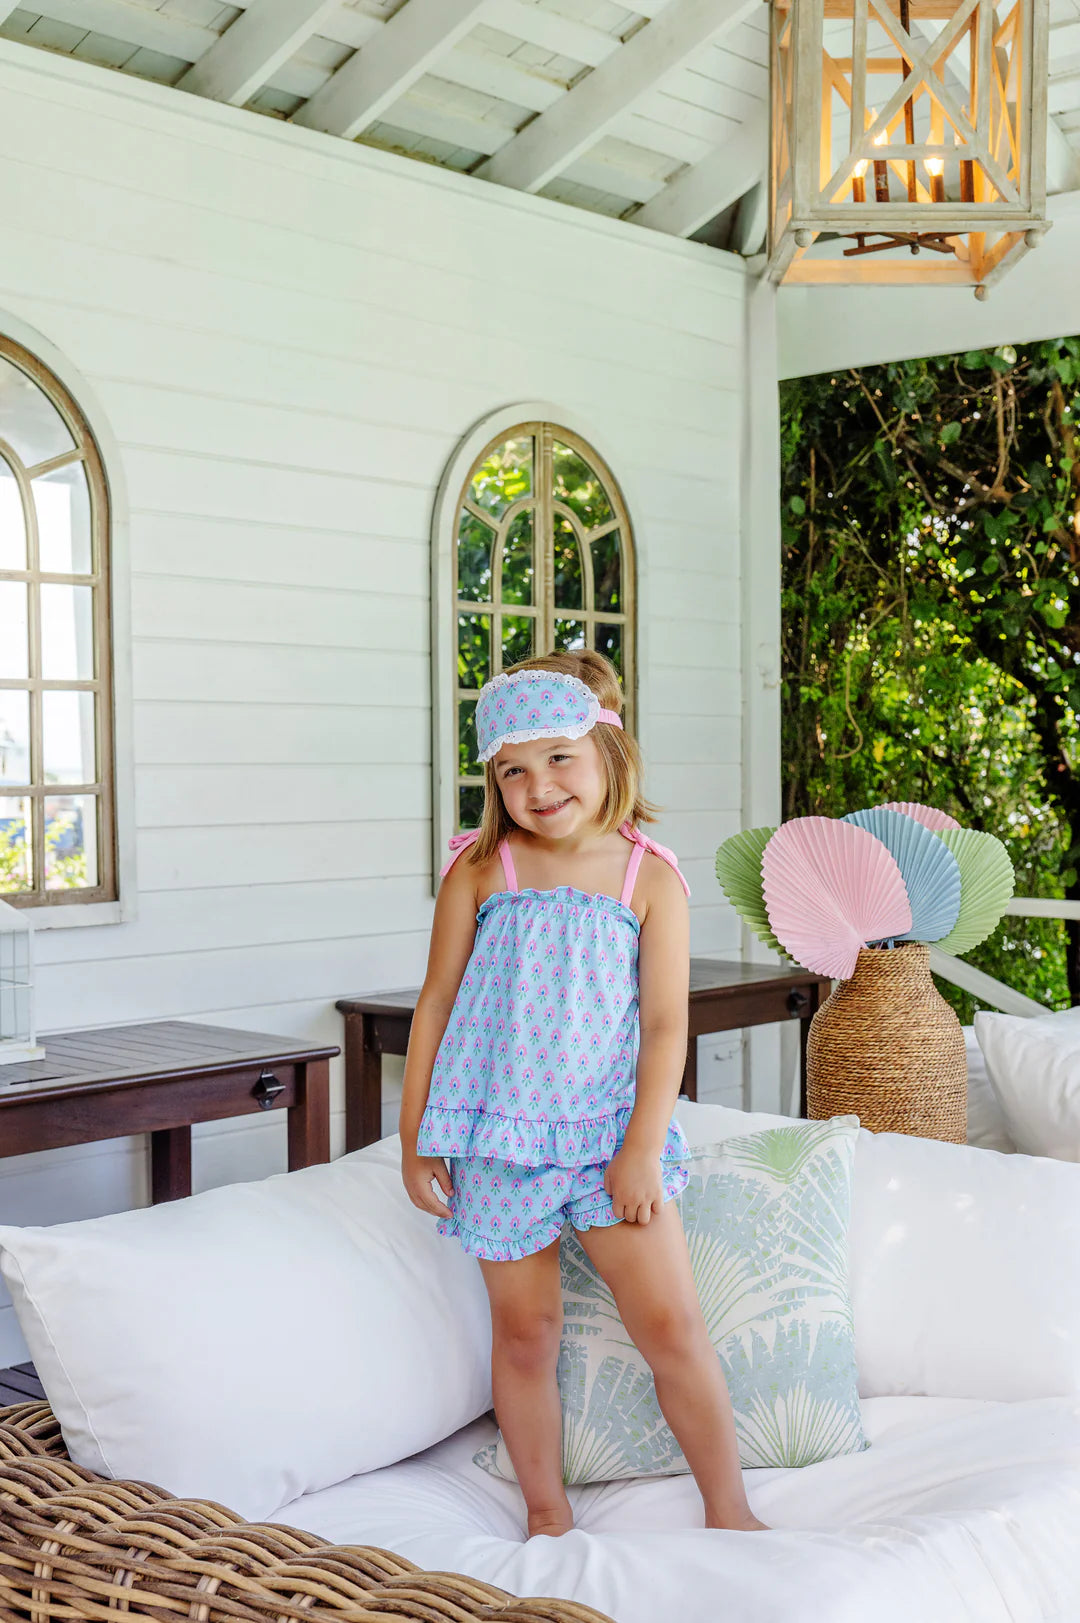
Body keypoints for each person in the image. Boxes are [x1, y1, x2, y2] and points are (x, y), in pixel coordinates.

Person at [400, 650, 766, 1538]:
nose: (539, 786)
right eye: (512, 769)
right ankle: (546, 1513)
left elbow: (666, 1027)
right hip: (499, 1144)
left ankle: (731, 1511)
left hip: (608, 1143)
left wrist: (641, 1146)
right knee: (526, 1334)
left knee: (671, 1327)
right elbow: (436, 1002)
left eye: (559, 757)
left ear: (608, 752)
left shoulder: (650, 878)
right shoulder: (482, 870)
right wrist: (415, 1138)